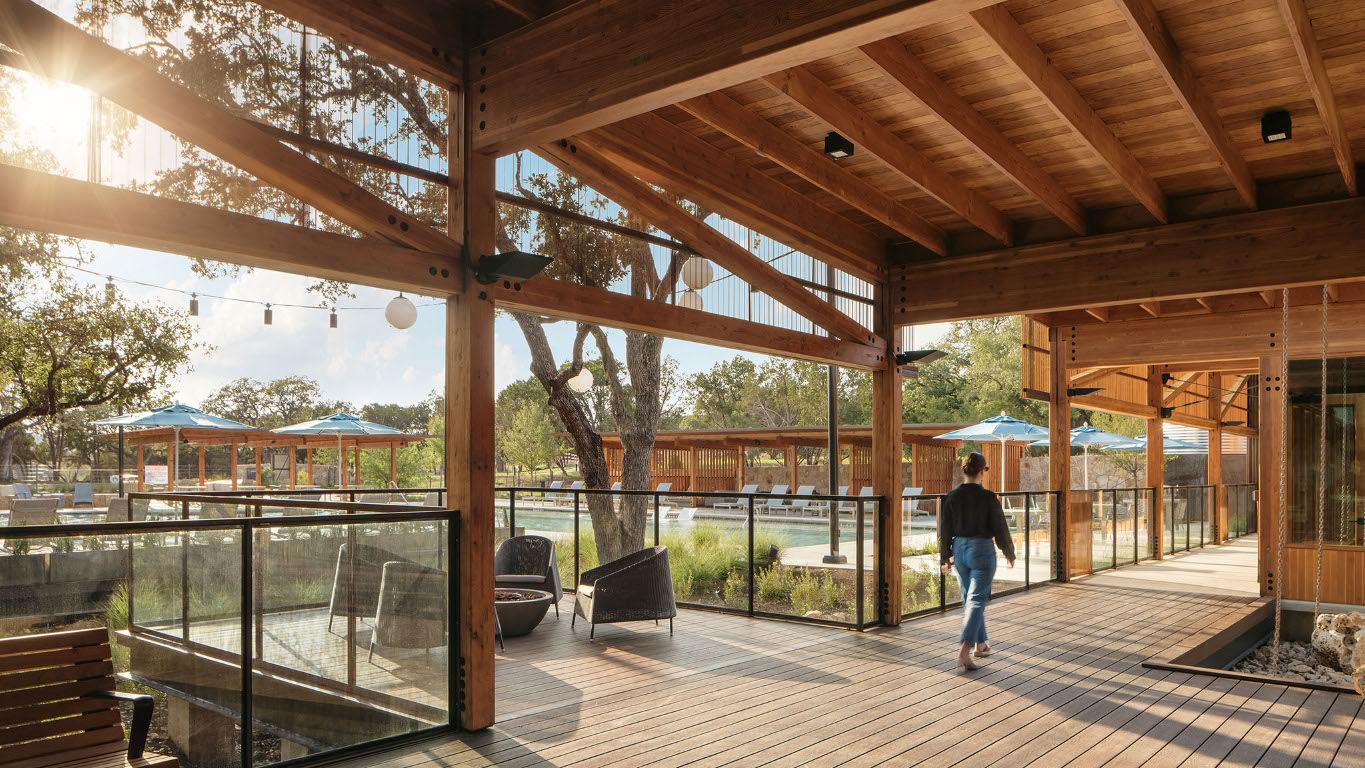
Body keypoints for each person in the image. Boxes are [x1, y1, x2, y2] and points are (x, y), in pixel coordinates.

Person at [939, 451, 1015, 670]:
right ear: (983, 471)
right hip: (981, 549)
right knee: (976, 599)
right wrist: (1008, 551)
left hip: (960, 549)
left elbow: (945, 530)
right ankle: (965, 648)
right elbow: (1000, 526)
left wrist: (945, 557)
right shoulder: (988, 497)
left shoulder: (951, 496)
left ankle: (980, 645)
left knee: (970, 598)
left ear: (964, 470)